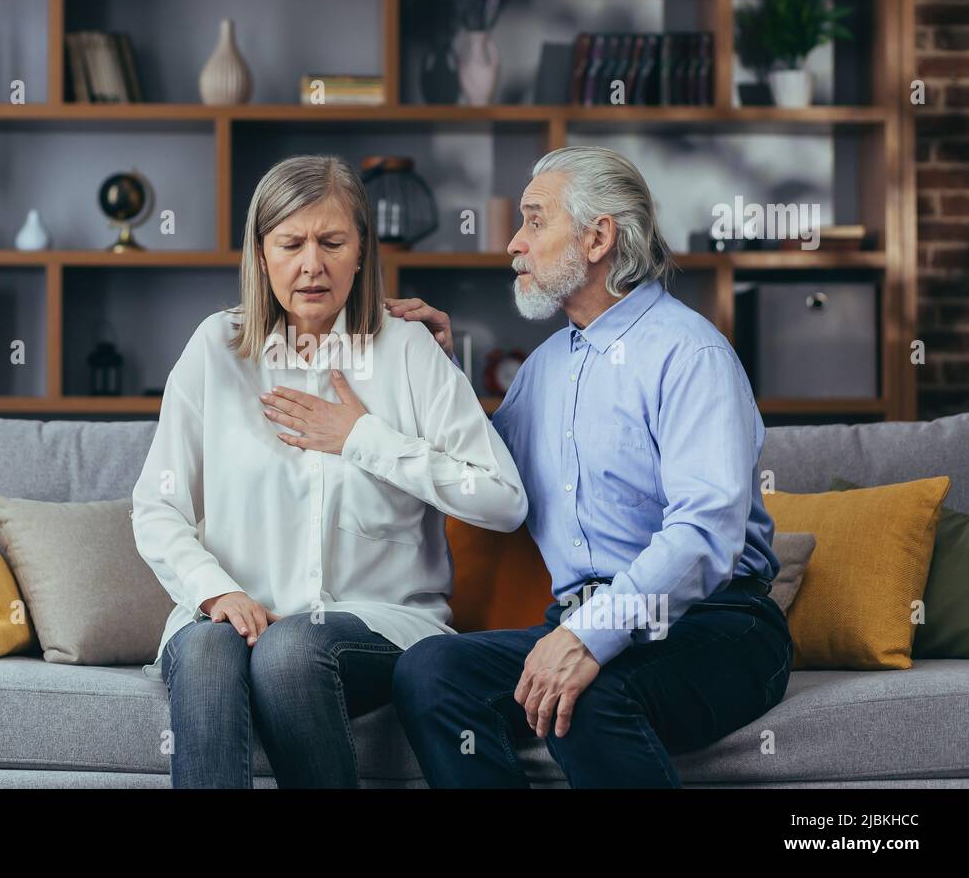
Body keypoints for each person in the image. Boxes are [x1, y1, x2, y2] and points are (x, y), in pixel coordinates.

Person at [389, 145, 793, 788]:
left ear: (598, 236)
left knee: (586, 695)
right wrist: (433, 376)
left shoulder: (690, 353)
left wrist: (589, 639)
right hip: (575, 619)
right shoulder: (543, 369)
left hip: (716, 625)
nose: (514, 244)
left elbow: (705, 531)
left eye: (534, 220)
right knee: (430, 671)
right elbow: (486, 474)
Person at [131, 154, 527, 788]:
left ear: (362, 251)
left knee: (289, 652)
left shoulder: (407, 349)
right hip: (232, 612)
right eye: (290, 243)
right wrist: (215, 589)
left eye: (332, 242)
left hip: (378, 622)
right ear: (261, 256)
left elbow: (503, 499)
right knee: (207, 648)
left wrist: (362, 438)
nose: (311, 264)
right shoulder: (216, 347)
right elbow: (157, 505)